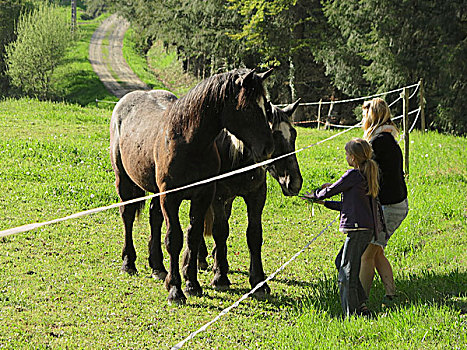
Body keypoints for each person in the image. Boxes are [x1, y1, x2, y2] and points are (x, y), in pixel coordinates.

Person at [302, 138, 382, 317]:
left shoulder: (353, 175)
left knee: (346, 272)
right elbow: (347, 205)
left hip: (357, 229)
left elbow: (333, 189)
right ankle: (361, 304)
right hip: (365, 229)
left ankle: (351, 314)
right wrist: (324, 202)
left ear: (353, 158)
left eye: (347, 154)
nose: (346, 157)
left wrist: (315, 195)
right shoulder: (365, 175)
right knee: (342, 263)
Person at [359, 98, 409, 305]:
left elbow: (367, 177)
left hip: (389, 207)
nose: (362, 118)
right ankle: (391, 293)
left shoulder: (376, 144)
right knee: (377, 250)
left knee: (366, 254)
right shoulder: (388, 140)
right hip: (397, 204)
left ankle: (360, 300)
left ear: (372, 116)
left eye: (364, 115)